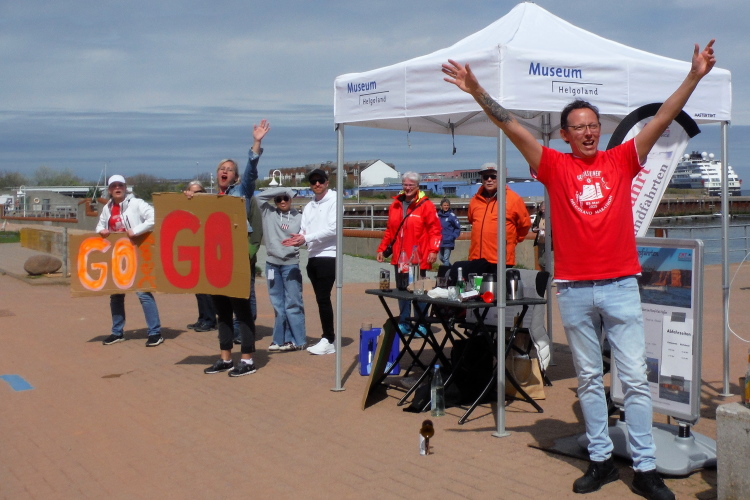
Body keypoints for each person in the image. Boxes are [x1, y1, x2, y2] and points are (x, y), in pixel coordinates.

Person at [443, 40, 716, 500]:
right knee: (589, 378)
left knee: (634, 379)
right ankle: (601, 459)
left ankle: (645, 468)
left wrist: (693, 76)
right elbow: (510, 125)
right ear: (565, 135)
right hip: (573, 290)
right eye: (579, 128)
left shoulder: (621, 159)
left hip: (621, 285)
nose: (588, 133)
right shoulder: (552, 166)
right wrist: (476, 91)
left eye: (593, 126)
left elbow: (662, 119)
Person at [197, 119, 270, 377]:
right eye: (221, 168)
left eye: (229, 169)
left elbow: (251, 170)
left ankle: (247, 360)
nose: (225, 171)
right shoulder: (210, 200)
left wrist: (256, 143)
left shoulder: (242, 191)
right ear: (217, 174)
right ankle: (226, 358)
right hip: (217, 261)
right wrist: (189, 199)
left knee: (242, 310)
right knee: (222, 312)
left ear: (235, 176)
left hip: (237, 259)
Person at [97, 175, 163, 347]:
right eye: (113, 186)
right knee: (116, 294)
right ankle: (117, 332)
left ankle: (155, 332)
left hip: (138, 253)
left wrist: (137, 230)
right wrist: (102, 230)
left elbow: (154, 218)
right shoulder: (107, 208)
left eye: (120, 185)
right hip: (117, 256)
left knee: (143, 293)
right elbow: (100, 225)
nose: (117, 188)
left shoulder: (137, 203)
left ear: (125, 187)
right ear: (109, 190)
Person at [376, 172, 441, 336]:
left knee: (419, 291)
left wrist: (433, 250)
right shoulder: (395, 204)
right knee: (402, 291)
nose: (407, 188)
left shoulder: (426, 205)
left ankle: (421, 324)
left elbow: (435, 230)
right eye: (405, 184)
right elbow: (390, 231)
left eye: (411, 185)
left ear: (417, 186)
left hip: (418, 257)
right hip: (400, 257)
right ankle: (404, 322)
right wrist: (382, 249)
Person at [283, 169, 337, 355]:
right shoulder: (309, 206)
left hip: (329, 255)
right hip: (313, 256)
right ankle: (327, 338)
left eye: (320, 180)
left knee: (323, 298)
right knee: (320, 299)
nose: (317, 184)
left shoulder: (335, 200)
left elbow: (333, 229)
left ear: (327, 182)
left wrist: (306, 238)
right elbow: (304, 230)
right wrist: (298, 238)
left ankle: (328, 339)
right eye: (313, 182)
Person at [256, 186, 306, 352]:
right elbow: (258, 198)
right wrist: (284, 190)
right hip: (272, 264)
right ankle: (279, 339)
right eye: (279, 199)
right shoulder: (268, 213)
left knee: (293, 302)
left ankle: (297, 340)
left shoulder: (300, 217)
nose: (282, 201)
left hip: (290, 264)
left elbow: (306, 237)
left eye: (286, 198)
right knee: (278, 304)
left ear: (291, 200)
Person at [468, 163, 530, 268]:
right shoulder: (475, 200)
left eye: (493, 176)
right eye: (486, 177)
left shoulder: (513, 199)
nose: (489, 180)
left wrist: (510, 242)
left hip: (501, 260)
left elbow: (524, 225)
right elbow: (471, 220)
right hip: (476, 258)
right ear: (482, 179)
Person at [184, 180, 217, 333]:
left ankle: (210, 319)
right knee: (198, 288)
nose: (195, 194)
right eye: (192, 191)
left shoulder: (208, 206)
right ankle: (202, 317)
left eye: (198, 192)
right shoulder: (188, 208)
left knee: (206, 288)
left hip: (207, 250)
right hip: (194, 250)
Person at [437, 198, 461, 267]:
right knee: (441, 257)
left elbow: (458, 227)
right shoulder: (438, 216)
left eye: (447, 205)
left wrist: (453, 236)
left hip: (448, 240)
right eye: (444, 205)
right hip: (441, 240)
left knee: (446, 259)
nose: (446, 207)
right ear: (441, 206)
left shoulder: (452, 216)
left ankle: (446, 272)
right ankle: (451, 269)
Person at [531, 201, 550, 273]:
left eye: (544, 209)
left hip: (549, 241)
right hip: (541, 240)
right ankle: (545, 273)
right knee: (540, 261)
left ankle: (550, 275)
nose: (543, 211)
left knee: (549, 261)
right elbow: (534, 225)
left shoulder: (551, 215)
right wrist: (535, 229)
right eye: (542, 209)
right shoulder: (539, 215)